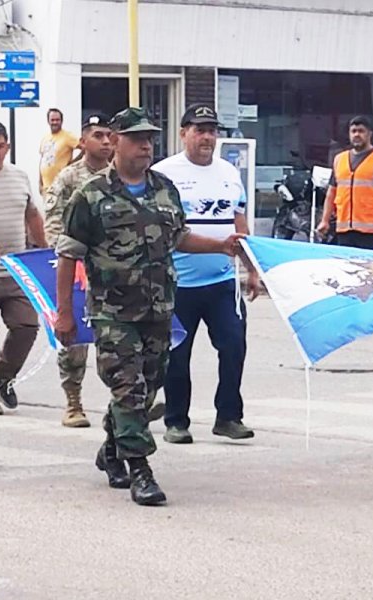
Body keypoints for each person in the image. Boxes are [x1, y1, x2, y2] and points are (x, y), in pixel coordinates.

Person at [54, 107, 244, 506]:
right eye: (136, 138)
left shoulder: (163, 188)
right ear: (115, 142)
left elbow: (178, 237)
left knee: (148, 386)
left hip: (158, 309)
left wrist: (221, 245)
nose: (145, 146)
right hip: (113, 312)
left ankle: (112, 449)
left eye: (150, 139)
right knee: (128, 387)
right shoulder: (91, 194)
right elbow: (68, 253)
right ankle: (140, 469)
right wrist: (65, 313)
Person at [152, 104, 259, 444]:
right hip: (178, 283)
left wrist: (252, 268)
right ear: (183, 133)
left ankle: (228, 416)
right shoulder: (163, 174)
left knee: (234, 346)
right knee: (177, 355)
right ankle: (176, 421)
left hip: (222, 281)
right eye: (199, 130)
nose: (207, 137)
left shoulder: (228, 173)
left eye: (212, 131)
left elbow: (239, 224)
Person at [0, 121, 46, 416]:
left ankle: (4, 376)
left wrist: (44, 250)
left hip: (17, 271)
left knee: (27, 327)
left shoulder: (20, 177)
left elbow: (32, 215)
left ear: (7, 148)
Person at [44, 113, 114, 428]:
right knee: (74, 338)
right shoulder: (69, 178)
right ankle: (73, 402)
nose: (105, 141)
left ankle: (124, 404)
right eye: (98, 136)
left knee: (117, 338)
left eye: (109, 136)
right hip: (77, 267)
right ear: (83, 142)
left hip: (112, 268)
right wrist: (66, 259)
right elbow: (53, 222)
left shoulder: (120, 176)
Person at [317, 116, 373, 250]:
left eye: (361, 131)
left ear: (370, 134)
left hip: (371, 232)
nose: (357, 135)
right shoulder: (339, 160)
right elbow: (331, 193)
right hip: (344, 230)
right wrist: (324, 221)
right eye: (353, 131)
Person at [39, 108, 79, 194]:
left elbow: (85, 148)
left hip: (62, 186)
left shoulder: (68, 136)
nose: (55, 122)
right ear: (48, 121)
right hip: (47, 188)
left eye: (57, 120)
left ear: (62, 121)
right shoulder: (45, 138)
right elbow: (42, 160)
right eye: (52, 120)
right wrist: (40, 183)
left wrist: (73, 164)